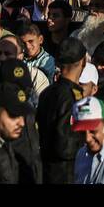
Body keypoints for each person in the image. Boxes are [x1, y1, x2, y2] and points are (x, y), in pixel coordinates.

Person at [36, 37, 87, 184]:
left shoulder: (47, 92)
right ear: (83, 61)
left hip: (45, 170)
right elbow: (66, 147)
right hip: (65, 174)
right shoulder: (72, 97)